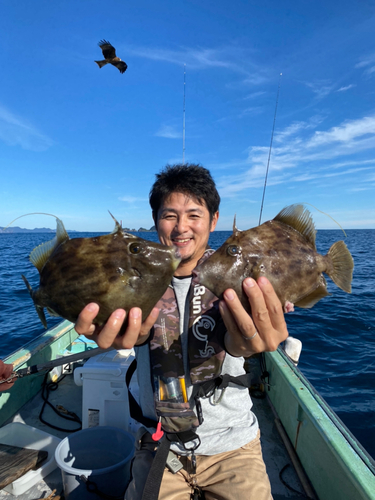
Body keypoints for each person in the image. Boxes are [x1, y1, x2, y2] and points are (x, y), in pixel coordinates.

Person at [75, 164, 289, 500]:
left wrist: (247, 343)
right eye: (169, 215)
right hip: (159, 442)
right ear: (155, 219)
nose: (181, 227)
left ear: (213, 220)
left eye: (194, 214)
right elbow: (136, 331)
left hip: (233, 445)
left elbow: (236, 340)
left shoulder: (233, 274)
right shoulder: (135, 279)